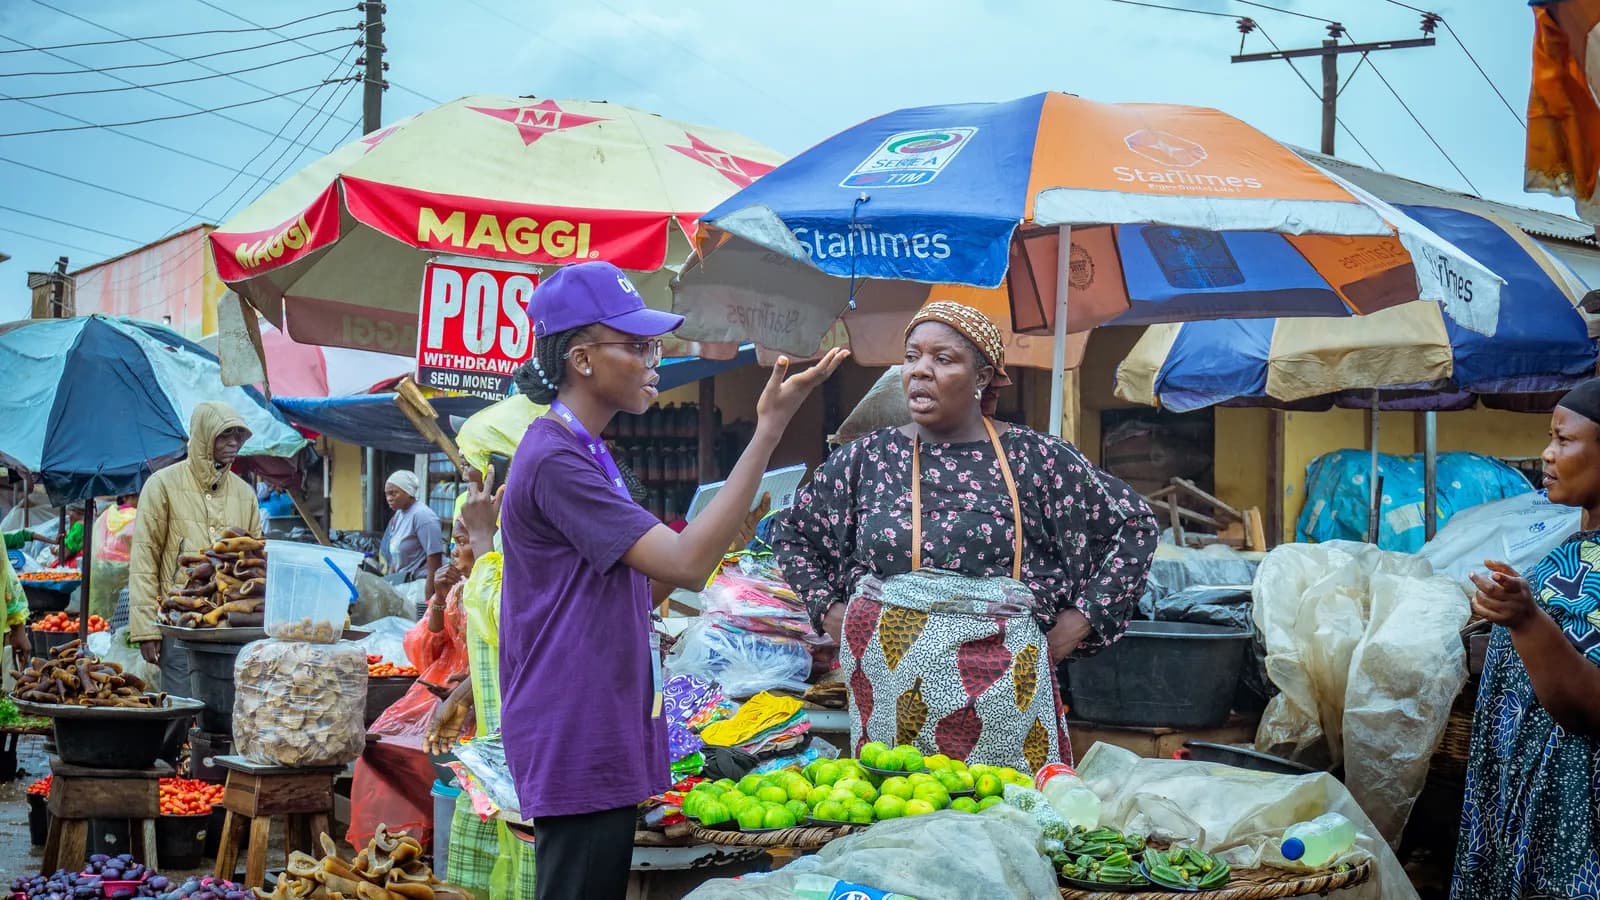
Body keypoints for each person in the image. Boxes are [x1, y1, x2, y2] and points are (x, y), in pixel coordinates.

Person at [494, 260, 845, 900]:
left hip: (599, 709)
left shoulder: (589, 450)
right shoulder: (556, 457)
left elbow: (642, 585)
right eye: (636, 345)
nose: (653, 358)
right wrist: (767, 430)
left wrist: (716, 538)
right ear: (581, 358)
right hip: (576, 716)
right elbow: (681, 564)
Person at [772, 301, 1158, 770]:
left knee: (1006, 815)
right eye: (912, 356)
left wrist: (1081, 620)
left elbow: (1134, 527)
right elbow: (791, 529)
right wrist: (830, 609)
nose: (920, 371)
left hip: (1003, 688)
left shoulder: (1037, 459)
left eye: (943, 359)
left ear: (982, 377)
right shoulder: (866, 460)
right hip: (890, 685)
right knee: (901, 812)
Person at [1452, 377, 1600, 898]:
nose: (1547, 453)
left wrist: (1526, 620)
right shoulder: (1575, 548)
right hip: (1527, 801)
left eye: (1564, 439)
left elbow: (1590, 707)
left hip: (1578, 821)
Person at [128, 403, 261, 689]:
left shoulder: (244, 494)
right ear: (204, 437)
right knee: (183, 708)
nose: (233, 443)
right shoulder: (162, 484)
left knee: (227, 713)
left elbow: (256, 563)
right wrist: (145, 629)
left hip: (230, 625)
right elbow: (143, 559)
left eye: (238, 436)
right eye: (225, 435)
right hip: (179, 622)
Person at [379, 470, 444, 604]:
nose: (389, 498)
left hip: (419, 587)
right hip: (403, 585)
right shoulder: (399, 515)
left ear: (408, 492)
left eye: (393, 493)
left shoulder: (423, 516)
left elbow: (435, 556)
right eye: (386, 494)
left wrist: (430, 592)